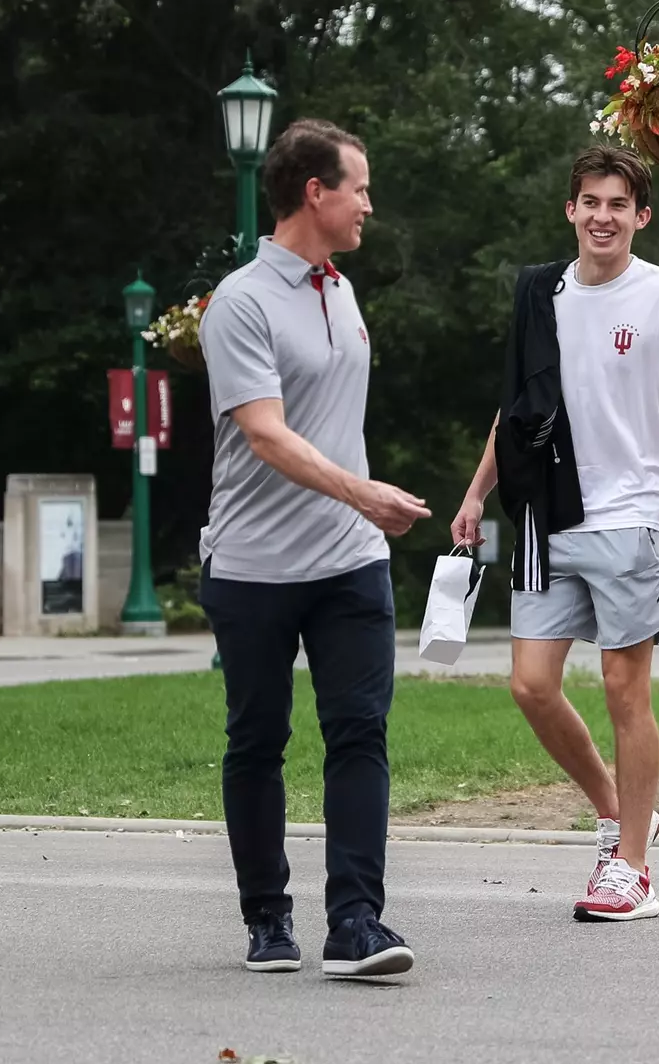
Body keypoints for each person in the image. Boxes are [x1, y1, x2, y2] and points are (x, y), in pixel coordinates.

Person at [450, 144, 659, 922]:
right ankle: (617, 811)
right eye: (590, 202)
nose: (604, 216)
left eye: (618, 204)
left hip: (634, 516)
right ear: (570, 210)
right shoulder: (542, 295)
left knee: (624, 688)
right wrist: (474, 495)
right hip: (547, 516)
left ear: (642, 215)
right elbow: (516, 414)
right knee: (531, 685)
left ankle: (633, 867)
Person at [196, 117, 430, 977]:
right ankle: (266, 918)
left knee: (359, 732)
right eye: (359, 188)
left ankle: (356, 922)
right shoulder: (242, 302)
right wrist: (364, 491)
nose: (370, 203)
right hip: (255, 566)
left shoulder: (340, 288)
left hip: (350, 563)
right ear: (315, 193)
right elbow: (266, 436)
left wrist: (361, 514)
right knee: (258, 739)